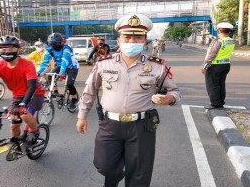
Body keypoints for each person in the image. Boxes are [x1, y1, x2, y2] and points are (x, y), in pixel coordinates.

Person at [76, 13, 181, 187]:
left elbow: (175, 91)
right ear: (118, 41)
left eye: (138, 37)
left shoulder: (157, 66)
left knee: (139, 175)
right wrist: (81, 116)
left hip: (141, 127)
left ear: (145, 42)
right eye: (127, 36)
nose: (132, 41)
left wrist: (169, 98)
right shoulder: (103, 63)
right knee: (105, 165)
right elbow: (89, 92)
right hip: (110, 124)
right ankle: (117, 172)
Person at [37, 32, 80, 110]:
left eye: (54, 44)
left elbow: (64, 61)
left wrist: (61, 74)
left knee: (69, 84)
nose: (52, 46)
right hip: (60, 65)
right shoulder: (50, 49)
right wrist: (38, 72)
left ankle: (74, 99)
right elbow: (44, 62)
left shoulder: (66, 48)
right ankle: (56, 92)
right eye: (51, 44)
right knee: (50, 77)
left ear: (60, 42)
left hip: (72, 66)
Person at [202, 22, 234, 109]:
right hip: (226, 65)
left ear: (219, 30)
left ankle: (215, 103)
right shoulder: (231, 41)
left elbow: (211, 54)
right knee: (221, 84)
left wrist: (204, 66)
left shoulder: (218, 41)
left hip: (215, 66)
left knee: (212, 84)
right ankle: (220, 102)